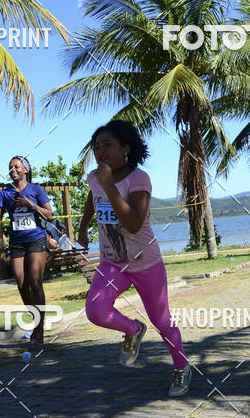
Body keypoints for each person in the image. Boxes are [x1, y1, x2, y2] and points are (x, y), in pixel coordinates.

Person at [78, 120, 191, 397]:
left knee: (162, 321)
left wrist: (110, 185)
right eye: (96, 147)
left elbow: (134, 224)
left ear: (125, 148)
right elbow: (93, 200)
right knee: (95, 310)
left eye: (108, 145)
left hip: (145, 262)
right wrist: (82, 227)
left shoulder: (139, 178)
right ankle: (132, 328)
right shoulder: (95, 178)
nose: (100, 151)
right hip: (112, 262)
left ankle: (181, 367)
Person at [0, 156, 54, 348]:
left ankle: (39, 328)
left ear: (25, 170)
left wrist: (32, 205)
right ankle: (36, 320)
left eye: (16, 167)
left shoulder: (36, 190)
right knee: (22, 285)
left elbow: (50, 215)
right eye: (10, 167)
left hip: (36, 239)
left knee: (35, 283)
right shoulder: (4, 193)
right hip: (17, 243)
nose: (12, 170)